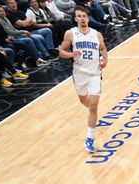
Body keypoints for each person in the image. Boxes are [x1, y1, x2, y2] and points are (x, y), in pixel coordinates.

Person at [58, 4, 107, 153]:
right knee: (84, 101)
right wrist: (71, 54)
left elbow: (103, 49)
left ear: (87, 18)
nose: (82, 18)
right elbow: (61, 51)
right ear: (75, 19)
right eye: (79, 16)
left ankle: (89, 138)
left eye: (84, 16)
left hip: (95, 73)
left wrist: (105, 60)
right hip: (79, 73)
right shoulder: (70, 34)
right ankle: (91, 112)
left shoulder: (96, 34)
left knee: (94, 106)